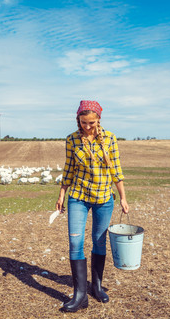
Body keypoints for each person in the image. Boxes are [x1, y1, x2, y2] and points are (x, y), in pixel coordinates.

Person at [56, 100, 129, 312]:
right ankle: (80, 295)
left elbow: (116, 169)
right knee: (75, 242)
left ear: (99, 120)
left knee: (99, 241)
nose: (87, 126)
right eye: (83, 122)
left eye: (91, 122)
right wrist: (61, 194)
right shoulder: (71, 140)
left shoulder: (110, 139)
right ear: (78, 119)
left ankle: (96, 287)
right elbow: (68, 169)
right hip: (78, 196)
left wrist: (123, 197)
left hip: (104, 198)